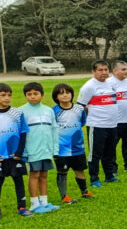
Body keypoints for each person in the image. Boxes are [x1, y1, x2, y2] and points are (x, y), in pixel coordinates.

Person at [78, 60, 120, 186]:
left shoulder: (111, 84)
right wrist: (89, 118)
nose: (104, 72)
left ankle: (109, 175)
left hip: (112, 124)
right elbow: (80, 106)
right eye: (100, 70)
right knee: (95, 153)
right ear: (93, 71)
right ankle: (94, 178)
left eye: (106, 69)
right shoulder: (89, 86)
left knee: (110, 152)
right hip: (96, 125)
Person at [21, 82, 59, 214]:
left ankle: (44, 201)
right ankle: (34, 203)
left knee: (44, 175)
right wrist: (24, 151)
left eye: (35, 93)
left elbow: (54, 130)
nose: (32, 96)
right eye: (29, 94)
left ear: (42, 95)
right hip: (32, 150)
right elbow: (21, 134)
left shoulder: (48, 110)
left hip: (46, 150)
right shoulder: (21, 111)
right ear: (25, 96)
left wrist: (55, 149)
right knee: (34, 175)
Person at [52, 84, 92, 203]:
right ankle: (64, 196)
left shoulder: (79, 109)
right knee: (62, 171)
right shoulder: (53, 111)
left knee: (80, 169)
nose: (65, 95)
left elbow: (82, 123)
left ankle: (84, 191)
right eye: (61, 93)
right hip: (61, 148)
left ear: (72, 95)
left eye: (67, 93)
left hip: (78, 147)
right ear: (56, 97)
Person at [0, 83, 32, 218]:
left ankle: (22, 207)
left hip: (15, 156)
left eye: (9, 95)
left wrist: (19, 152)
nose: (7, 98)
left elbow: (24, 133)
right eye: (3, 95)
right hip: (1, 157)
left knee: (18, 181)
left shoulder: (18, 113)